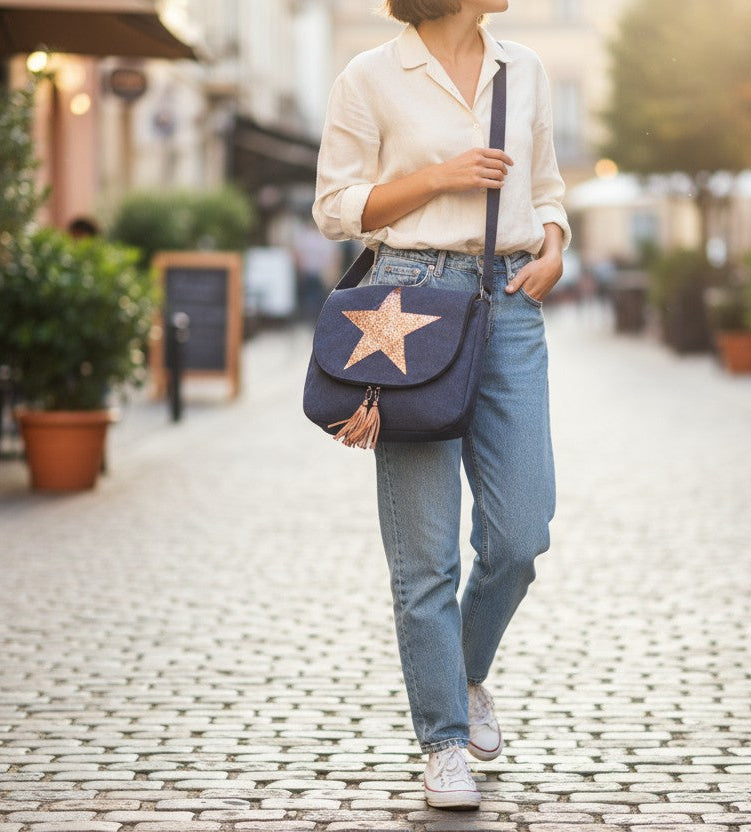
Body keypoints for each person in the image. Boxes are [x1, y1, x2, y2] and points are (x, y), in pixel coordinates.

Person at [312, 0, 571, 810]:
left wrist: (556, 244)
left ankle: (462, 675)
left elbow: (549, 185)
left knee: (522, 532)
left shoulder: (522, 67)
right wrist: (438, 177)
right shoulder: (371, 75)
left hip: (510, 305)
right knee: (425, 556)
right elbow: (334, 208)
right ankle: (445, 741)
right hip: (410, 306)